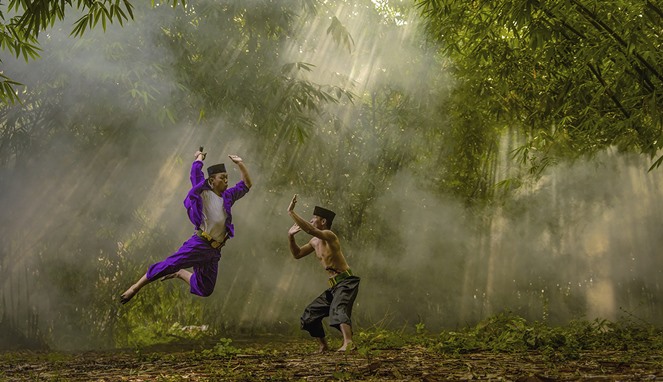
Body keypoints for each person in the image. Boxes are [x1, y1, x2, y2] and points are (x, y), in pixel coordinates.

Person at [120, 148, 252, 304]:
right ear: (212, 181)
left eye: (227, 178)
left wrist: (240, 163)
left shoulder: (228, 196)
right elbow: (195, 173)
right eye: (222, 178)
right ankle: (135, 287)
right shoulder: (203, 193)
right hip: (199, 244)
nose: (226, 181)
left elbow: (246, 184)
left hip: (214, 251)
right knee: (169, 264)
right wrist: (199, 158)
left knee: (206, 289)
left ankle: (181, 273)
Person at [286, 194, 360, 352]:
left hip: (346, 282)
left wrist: (291, 212)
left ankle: (349, 343)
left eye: (314, 218)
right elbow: (297, 254)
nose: (311, 220)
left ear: (323, 221)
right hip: (334, 286)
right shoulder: (314, 242)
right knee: (310, 314)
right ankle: (323, 346)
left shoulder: (329, 236)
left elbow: (309, 229)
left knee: (338, 308)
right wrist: (290, 237)